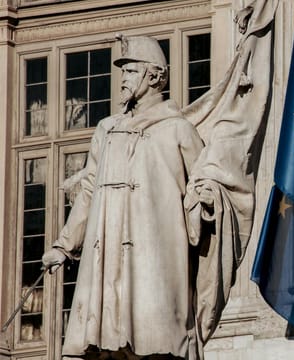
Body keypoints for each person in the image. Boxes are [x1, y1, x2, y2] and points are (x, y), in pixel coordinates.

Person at [42, 35, 207, 360]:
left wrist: (208, 200)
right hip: (108, 252)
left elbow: (200, 186)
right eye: (124, 71)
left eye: (131, 71)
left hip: (154, 257)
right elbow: (89, 189)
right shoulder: (107, 129)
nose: (123, 79)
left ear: (154, 75)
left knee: (154, 337)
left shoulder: (177, 130)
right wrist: (64, 244)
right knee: (107, 338)